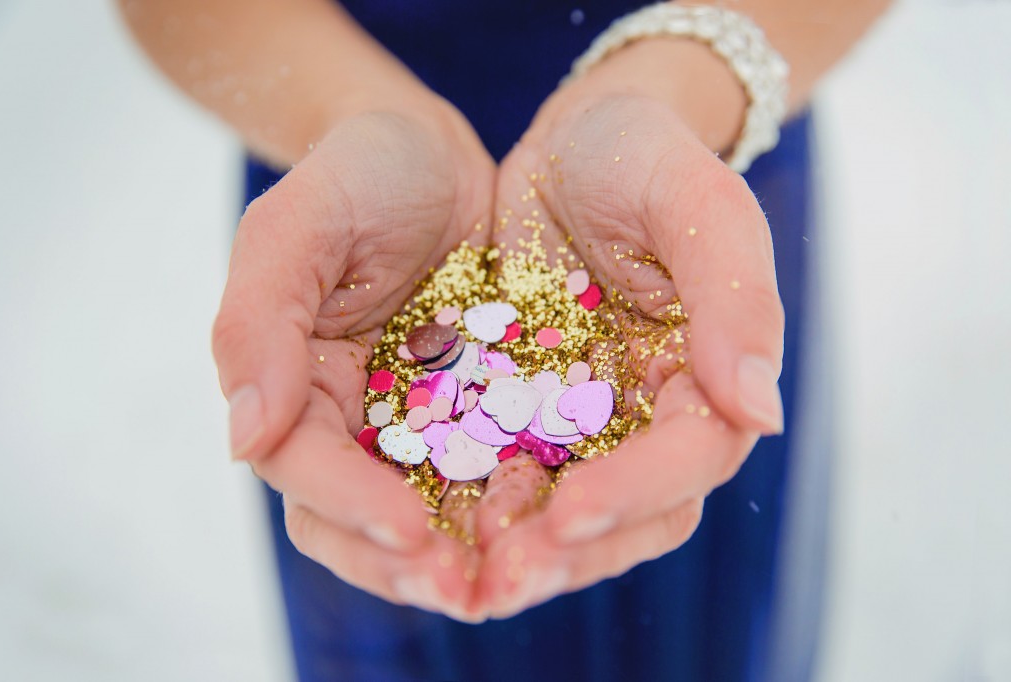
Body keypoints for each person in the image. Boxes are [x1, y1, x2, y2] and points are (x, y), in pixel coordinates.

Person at [120, 1, 890, 679]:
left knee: (703, 622)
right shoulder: (356, 250)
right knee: (392, 562)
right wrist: (346, 108)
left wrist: (677, 81)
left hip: (673, 191)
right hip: (350, 215)